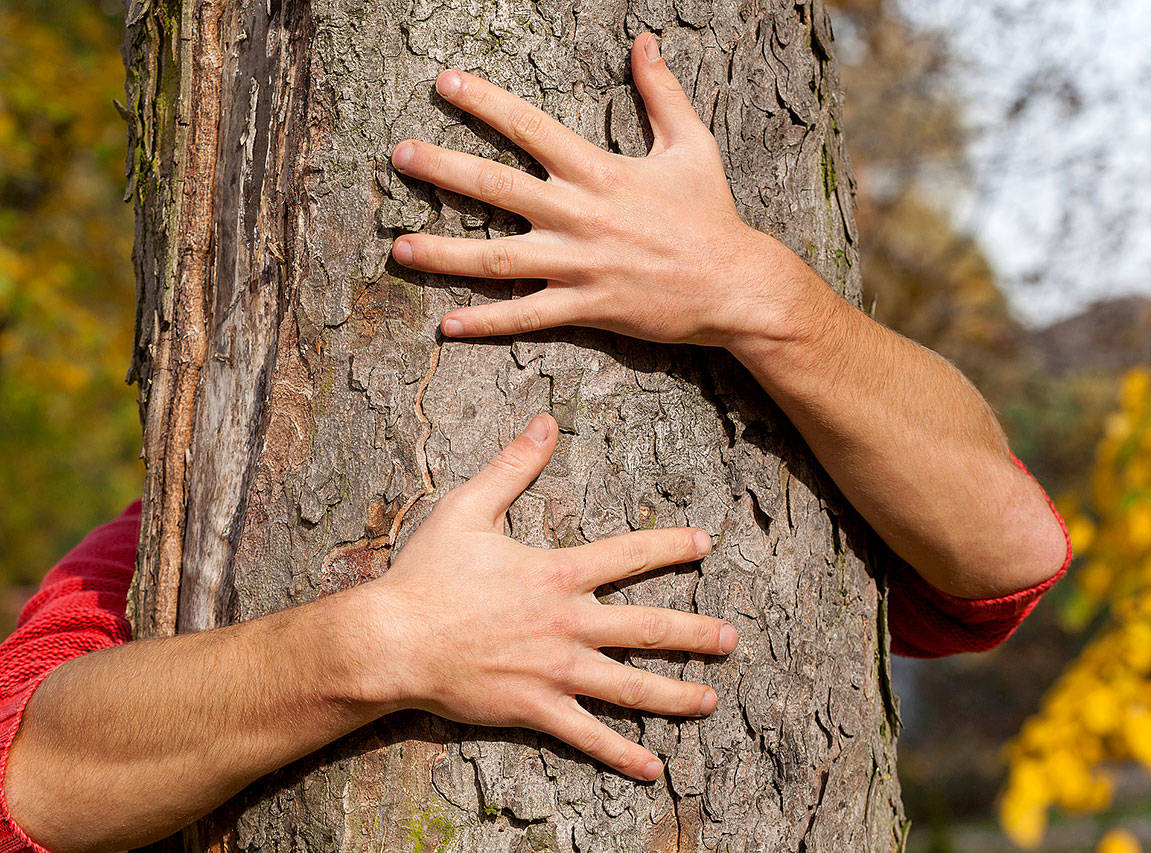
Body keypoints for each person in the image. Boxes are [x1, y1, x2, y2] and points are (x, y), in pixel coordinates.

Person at [0, 34, 1070, 853]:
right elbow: (23, 765)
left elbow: (1001, 562)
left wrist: (757, 294)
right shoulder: (202, 527)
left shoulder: (782, 418)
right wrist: (381, 645)